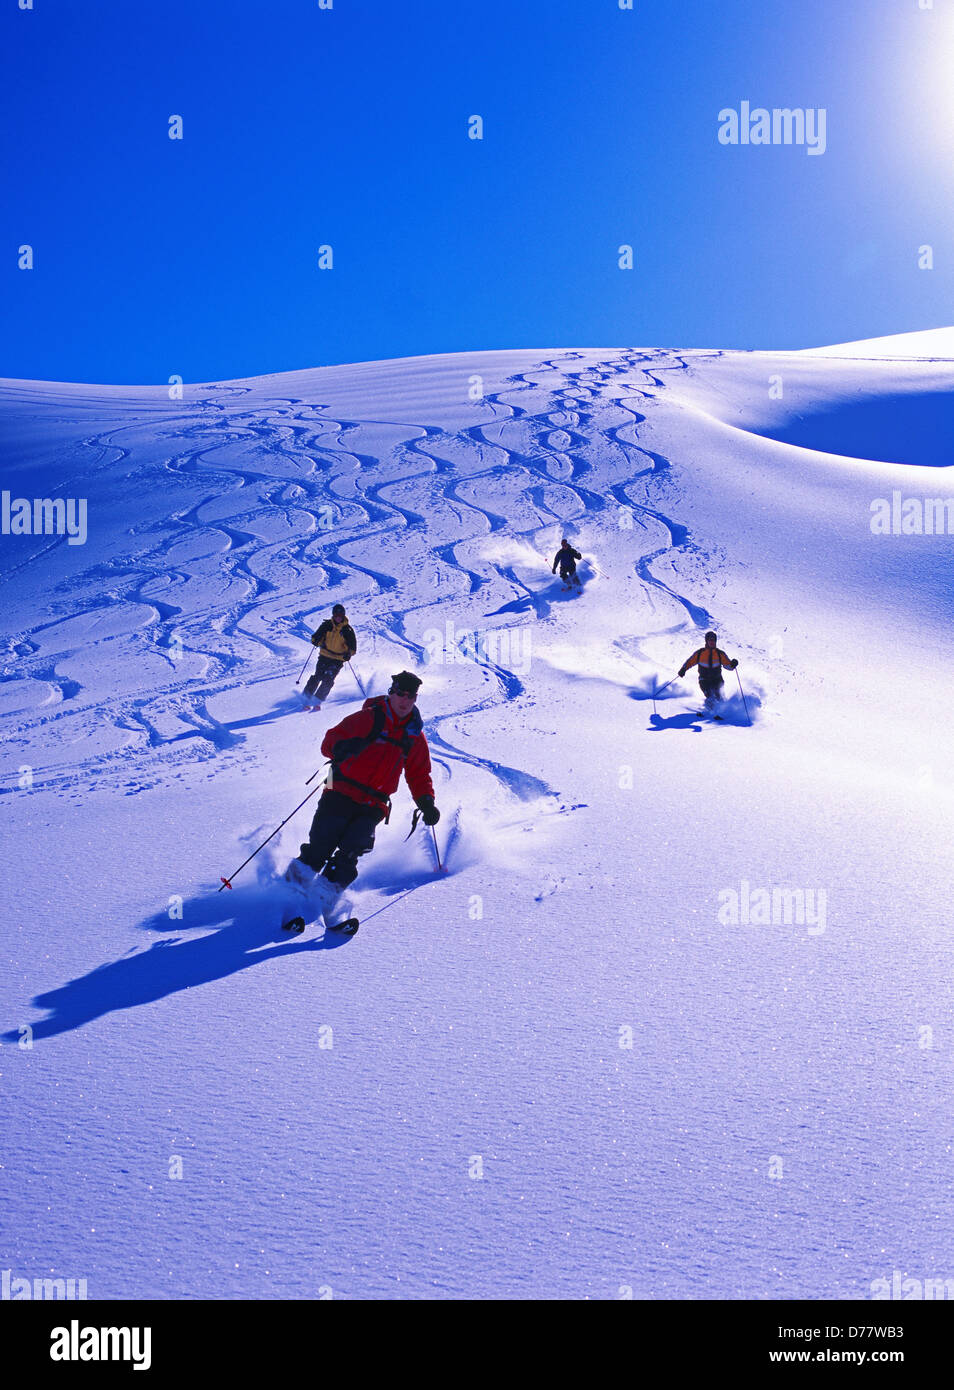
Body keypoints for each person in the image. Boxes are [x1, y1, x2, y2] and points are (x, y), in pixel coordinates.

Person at [283, 671, 439, 917]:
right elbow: (329, 741)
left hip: (374, 803)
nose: (405, 701)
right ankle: (286, 895)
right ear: (392, 693)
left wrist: (426, 802)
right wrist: (342, 747)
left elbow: (419, 774)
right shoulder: (369, 718)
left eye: (411, 696)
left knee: (351, 853)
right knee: (321, 845)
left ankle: (321, 902)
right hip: (340, 789)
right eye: (400, 693)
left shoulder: (414, 736)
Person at [303, 604, 357, 706]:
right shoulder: (327, 625)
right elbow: (315, 638)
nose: (338, 618)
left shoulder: (347, 630)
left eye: (340, 616)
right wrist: (317, 641)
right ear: (333, 615)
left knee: (328, 678)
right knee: (318, 676)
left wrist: (348, 654)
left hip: (338, 659)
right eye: (336, 615)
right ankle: (305, 697)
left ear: (343, 616)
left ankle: (317, 701)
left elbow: (353, 648)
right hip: (324, 655)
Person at [678, 631, 738, 708]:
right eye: (710, 640)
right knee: (710, 695)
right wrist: (683, 670)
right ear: (706, 641)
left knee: (719, 696)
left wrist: (733, 665)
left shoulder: (720, 654)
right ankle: (710, 711)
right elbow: (690, 662)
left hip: (717, 679)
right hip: (704, 680)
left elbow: (728, 666)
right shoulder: (700, 653)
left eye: (713, 640)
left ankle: (724, 710)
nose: (712, 642)